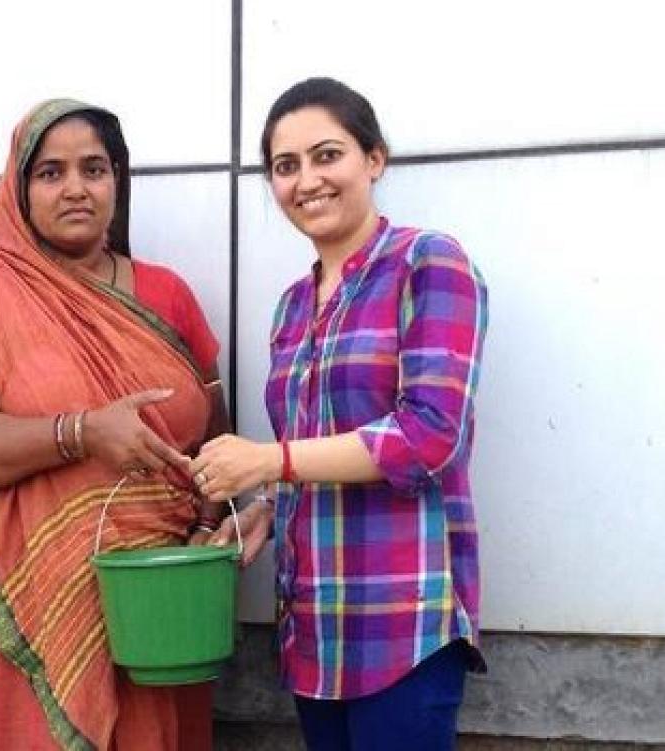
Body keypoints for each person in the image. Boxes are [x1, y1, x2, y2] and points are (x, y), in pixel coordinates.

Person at [0, 99, 228, 750]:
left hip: (162, 600)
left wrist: (209, 526)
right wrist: (80, 432)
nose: (76, 188)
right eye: (51, 172)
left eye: (93, 169)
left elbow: (213, 432)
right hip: (33, 598)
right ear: (18, 189)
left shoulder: (167, 293)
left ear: (116, 180)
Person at [191, 78, 488, 749]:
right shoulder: (292, 307)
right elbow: (311, 446)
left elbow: (429, 436)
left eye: (327, 155)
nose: (307, 180)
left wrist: (269, 460)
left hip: (402, 620)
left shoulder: (428, 262)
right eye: (285, 165)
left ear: (374, 159)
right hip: (314, 628)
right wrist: (269, 505)